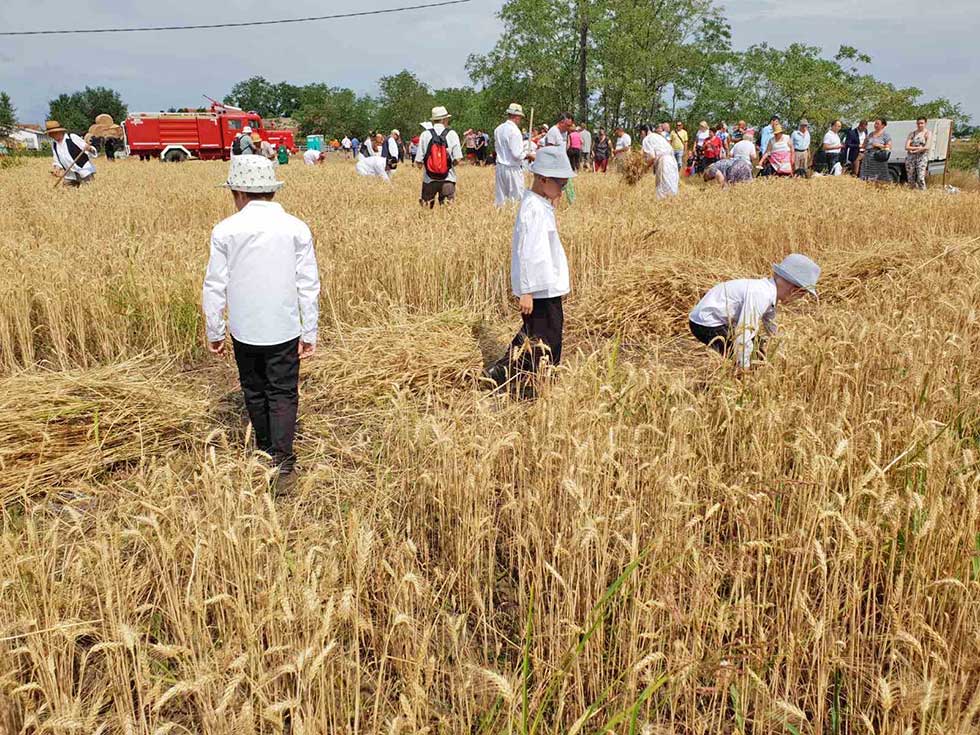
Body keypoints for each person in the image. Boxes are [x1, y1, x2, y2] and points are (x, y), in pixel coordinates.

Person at [202, 156, 320, 481]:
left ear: (238, 192)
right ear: (271, 190)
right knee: (282, 391)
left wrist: (215, 329)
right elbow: (307, 283)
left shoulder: (225, 230)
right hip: (284, 328)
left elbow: (215, 285)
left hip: (244, 330)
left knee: (253, 389)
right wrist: (309, 331)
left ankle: (264, 448)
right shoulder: (296, 227)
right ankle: (283, 464)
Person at [483, 147, 575, 394]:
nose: (563, 190)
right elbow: (528, 252)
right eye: (561, 184)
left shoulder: (540, 203)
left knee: (535, 334)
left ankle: (504, 375)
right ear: (543, 179)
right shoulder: (533, 209)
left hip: (546, 285)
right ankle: (529, 381)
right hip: (539, 288)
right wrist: (527, 291)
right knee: (546, 339)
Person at [689, 254, 820, 369]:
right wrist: (745, 367)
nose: (800, 298)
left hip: (712, 318)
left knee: (758, 349)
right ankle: (734, 383)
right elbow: (743, 333)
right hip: (706, 323)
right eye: (802, 294)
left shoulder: (768, 291)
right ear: (796, 290)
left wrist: (779, 345)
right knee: (750, 358)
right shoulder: (761, 294)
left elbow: (770, 322)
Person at [415, 105, 464, 207]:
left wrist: (431, 166)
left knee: (426, 211)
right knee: (448, 212)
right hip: (448, 178)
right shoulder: (452, 134)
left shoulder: (425, 134)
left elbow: (419, 161)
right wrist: (447, 165)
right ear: (444, 119)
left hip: (429, 179)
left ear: (434, 120)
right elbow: (458, 159)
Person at [494, 103, 531, 207]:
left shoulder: (498, 129)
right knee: (516, 200)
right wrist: (528, 155)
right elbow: (517, 154)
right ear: (517, 116)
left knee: (501, 200)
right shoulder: (515, 131)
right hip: (512, 169)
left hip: (500, 167)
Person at [46, 120, 97, 187]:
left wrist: (90, 149)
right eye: (50, 134)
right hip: (70, 174)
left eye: (52, 133)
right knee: (66, 193)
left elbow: (88, 149)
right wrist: (57, 168)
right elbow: (57, 160)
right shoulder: (54, 145)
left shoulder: (72, 137)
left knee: (89, 192)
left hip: (83, 171)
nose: (51, 136)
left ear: (59, 131)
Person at [640, 123, 680, 199]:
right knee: (672, 185)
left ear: (643, 132)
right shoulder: (659, 136)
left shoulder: (647, 139)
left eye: (641, 134)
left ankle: (664, 206)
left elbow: (652, 157)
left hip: (664, 161)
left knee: (663, 187)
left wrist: (644, 169)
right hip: (672, 160)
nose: (641, 136)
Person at [860, 119, 893, 183]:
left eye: (877, 124)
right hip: (868, 158)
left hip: (878, 159)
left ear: (883, 125)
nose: (875, 125)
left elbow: (889, 146)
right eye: (875, 123)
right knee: (866, 178)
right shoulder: (870, 134)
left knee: (879, 178)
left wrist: (879, 145)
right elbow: (864, 145)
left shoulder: (886, 135)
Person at [905, 117, 932, 190]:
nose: (920, 125)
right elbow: (907, 146)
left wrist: (916, 150)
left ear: (925, 123)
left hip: (921, 157)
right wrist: (918, 148)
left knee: (920, 177)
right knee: (910, 178)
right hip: (911, 158)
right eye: (918, 123)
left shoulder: (927, 133)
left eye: (921, 123)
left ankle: (923, 193)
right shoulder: (912, 133)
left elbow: (927, 147)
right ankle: (912, 193)